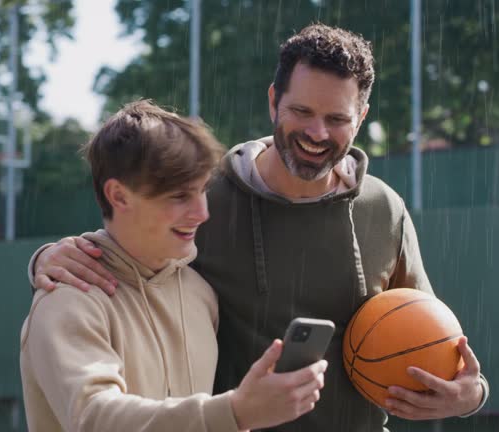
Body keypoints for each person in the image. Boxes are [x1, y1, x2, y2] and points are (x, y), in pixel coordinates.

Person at [28, 24, 489, 431]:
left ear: (361, 118)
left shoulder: (383, 210)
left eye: (336, 119)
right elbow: (130, 247)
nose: (317, 133)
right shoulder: (209, 199)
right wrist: (48, 259)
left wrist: (471, 395)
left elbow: (433, 337)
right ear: (273, 100)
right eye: (302, 112)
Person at [19, 100, 328, 432]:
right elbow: (95, 419)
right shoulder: (68, 300)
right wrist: (236, 412)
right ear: (119, 197)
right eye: (179, 196)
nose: (201, 213)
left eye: (202, 191)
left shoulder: (201, 294)